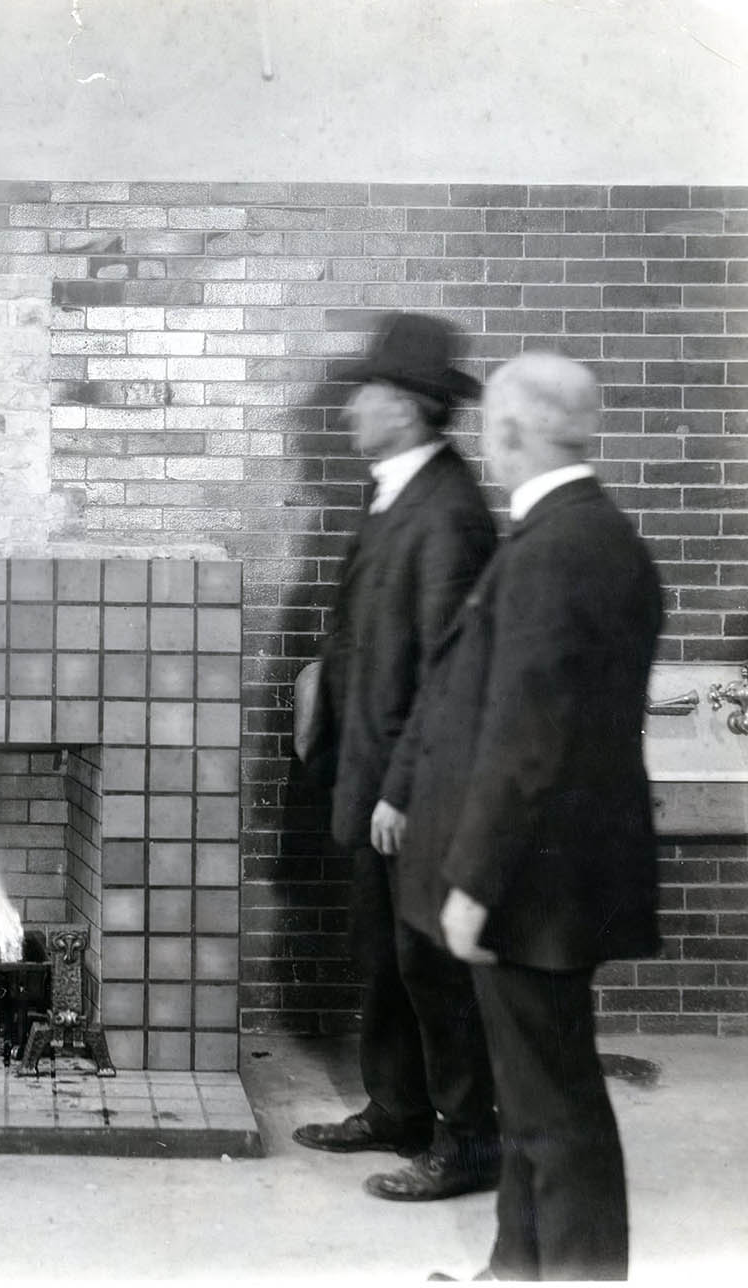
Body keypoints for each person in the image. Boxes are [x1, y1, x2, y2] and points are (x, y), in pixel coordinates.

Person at [381, 352, 662, 1280]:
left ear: (510, 432)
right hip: (553, 878)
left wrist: (473, 881)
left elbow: (528, 739)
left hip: (532, 886)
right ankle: (512, 1269)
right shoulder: (592, 536)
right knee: (531, 1097)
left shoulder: (557, 550)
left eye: (490, 432)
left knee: (556, 1108)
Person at [292, 313, 502, 1203]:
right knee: (383, 953)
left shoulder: (449, 515)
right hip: (368, 768)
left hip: (414, 787)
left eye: (367, 396)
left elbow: (453, 677)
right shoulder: (395, 491)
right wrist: (318, 677)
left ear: (412, 408)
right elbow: (375, 634)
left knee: (432, 967)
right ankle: (398, 1109)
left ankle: (469, 1141)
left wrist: (405, 792)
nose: (350, 413)